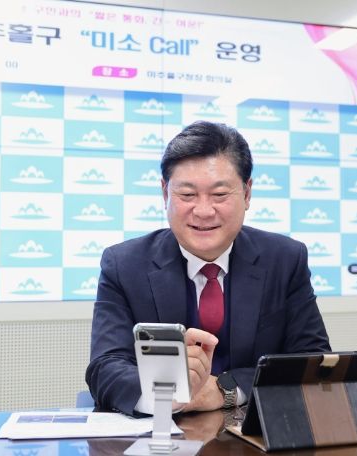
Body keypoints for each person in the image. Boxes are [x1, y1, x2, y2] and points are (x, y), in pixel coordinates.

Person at [85, 120, 330, 415]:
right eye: (187, 195)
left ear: (247, 194)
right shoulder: (124, 265)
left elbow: (313, 363)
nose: (203, 211)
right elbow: (105, 367)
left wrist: (226, 390)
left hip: (255, 432)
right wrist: (167, 393)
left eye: (219, 195)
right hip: (163, 431)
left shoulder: (285, 259)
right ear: (165, 194)